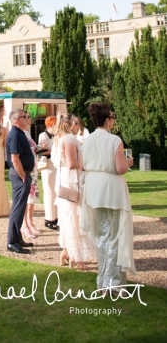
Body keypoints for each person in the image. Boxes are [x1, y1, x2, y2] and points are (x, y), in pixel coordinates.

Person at [80, 102, 136, 291]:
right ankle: (111, 282)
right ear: (107, 120)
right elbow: (120, 168)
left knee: (102, 236)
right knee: (114, 236)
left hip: (94, 189)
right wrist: (128, 162)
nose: (113, 121)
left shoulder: (86, 140)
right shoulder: (114, 140)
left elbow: (81, 165)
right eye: (112, 117)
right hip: (111, 189)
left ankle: (103, 279)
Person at [53, 113, 96, 270]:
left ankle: (66, 252)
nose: (78, 126)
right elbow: (71, 163)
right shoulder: (69, 139)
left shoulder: (61, 138)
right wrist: (88, 162)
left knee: (69, 218)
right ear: (70, 124)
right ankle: (76, 257)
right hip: (72, 183)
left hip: (65, 181)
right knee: (75, 220)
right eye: (76, 123)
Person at [7, 109, 35, 254]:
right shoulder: (15, 135)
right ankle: (12, 241)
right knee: (17, 208)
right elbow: (14, 158)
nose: (27, 119)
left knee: (21, 207)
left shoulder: (20, 133)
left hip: (22, 174)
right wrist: (23, 176)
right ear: (17, 119)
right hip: (19, 175)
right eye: (25, 117)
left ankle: (17, 237)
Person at [22, 114, 42, 241]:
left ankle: (30, 222)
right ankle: (24, 224)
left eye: (29, 117)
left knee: (32, 197)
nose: (29, 119)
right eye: (27, 117)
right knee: (26, 196)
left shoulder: (28, 133)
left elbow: (33, 149)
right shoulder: (22, 134)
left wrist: (41, 147)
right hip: (27, 168)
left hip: (33, 167)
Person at [38, 116, 58, 230]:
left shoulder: (55, 136)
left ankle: (56, 215)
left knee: (55, 191)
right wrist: (53, 151)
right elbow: (42, 150)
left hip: (55, 165)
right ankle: (49, 217)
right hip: (48, 164)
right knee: (49, 191)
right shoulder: (43, 135)